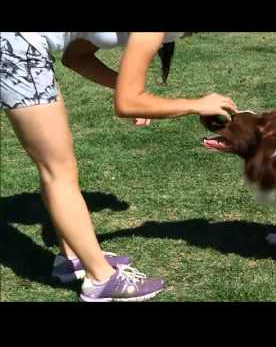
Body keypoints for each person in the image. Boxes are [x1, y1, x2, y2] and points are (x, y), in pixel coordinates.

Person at [0, 32, 238, 302]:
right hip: (16, 46)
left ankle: (73, 260)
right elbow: (127, 103)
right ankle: (101, 279)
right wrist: (196, 104)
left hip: (22, 45)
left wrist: (130, 92)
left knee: (58, 169)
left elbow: (76, 57)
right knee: (58, 172)